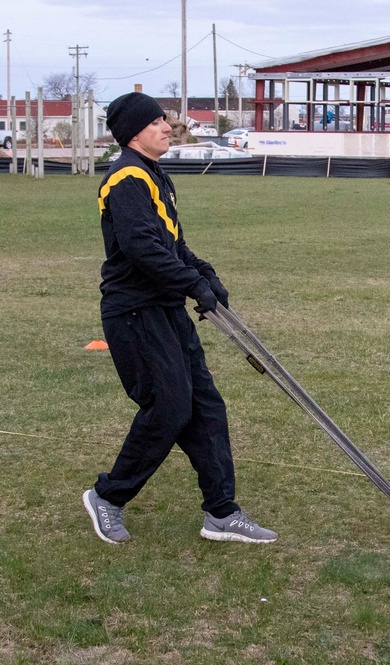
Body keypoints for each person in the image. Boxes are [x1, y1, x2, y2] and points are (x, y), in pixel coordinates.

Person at [83, 91, 276, 545]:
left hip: (166, 308)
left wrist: (205, 274)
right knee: (169, 408)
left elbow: (171, 245)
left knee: (205, 407)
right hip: (135, 312)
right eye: (157, 122)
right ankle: (107, 496)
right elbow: (141, 248)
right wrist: (193, 284)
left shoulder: (155, 175)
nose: (168, 127)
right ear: (134, 132)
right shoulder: (126, 179)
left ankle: (222, 513)